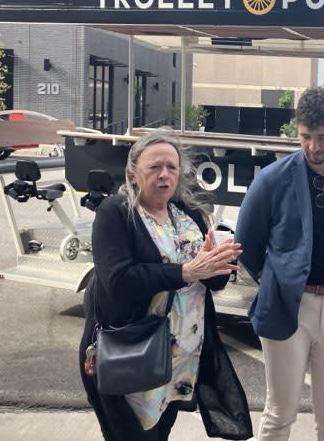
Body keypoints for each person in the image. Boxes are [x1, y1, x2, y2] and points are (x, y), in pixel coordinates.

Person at [79, 130, 252, 441]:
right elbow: (118, 281)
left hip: (179, 360)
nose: (164, 175)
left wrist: (217, 263)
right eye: (154, 167)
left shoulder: (190, 215)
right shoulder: (116, 213)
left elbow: (211, 282)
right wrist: (184, 271)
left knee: (160, 435)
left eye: (172, 167)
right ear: (133, 173)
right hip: (131, 353)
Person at [235, 86, 324, 441]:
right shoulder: (272, 179)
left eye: (323, 137)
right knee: (279, 414)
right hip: (288, 308)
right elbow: (246, 243)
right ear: (297, 131)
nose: (314, 146)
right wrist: (276, 279)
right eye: (306, 137)